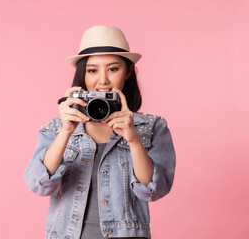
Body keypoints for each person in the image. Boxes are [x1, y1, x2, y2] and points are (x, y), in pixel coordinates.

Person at [24, 25, 176, 239]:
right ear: (82, 74)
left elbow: (153, 190)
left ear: (129, 71)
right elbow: (38, 185)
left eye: (113, 69)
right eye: (92, 70)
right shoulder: (57, 128)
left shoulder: (151, 127)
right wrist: (67, 131)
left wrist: (133, 139)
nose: (102, 80)